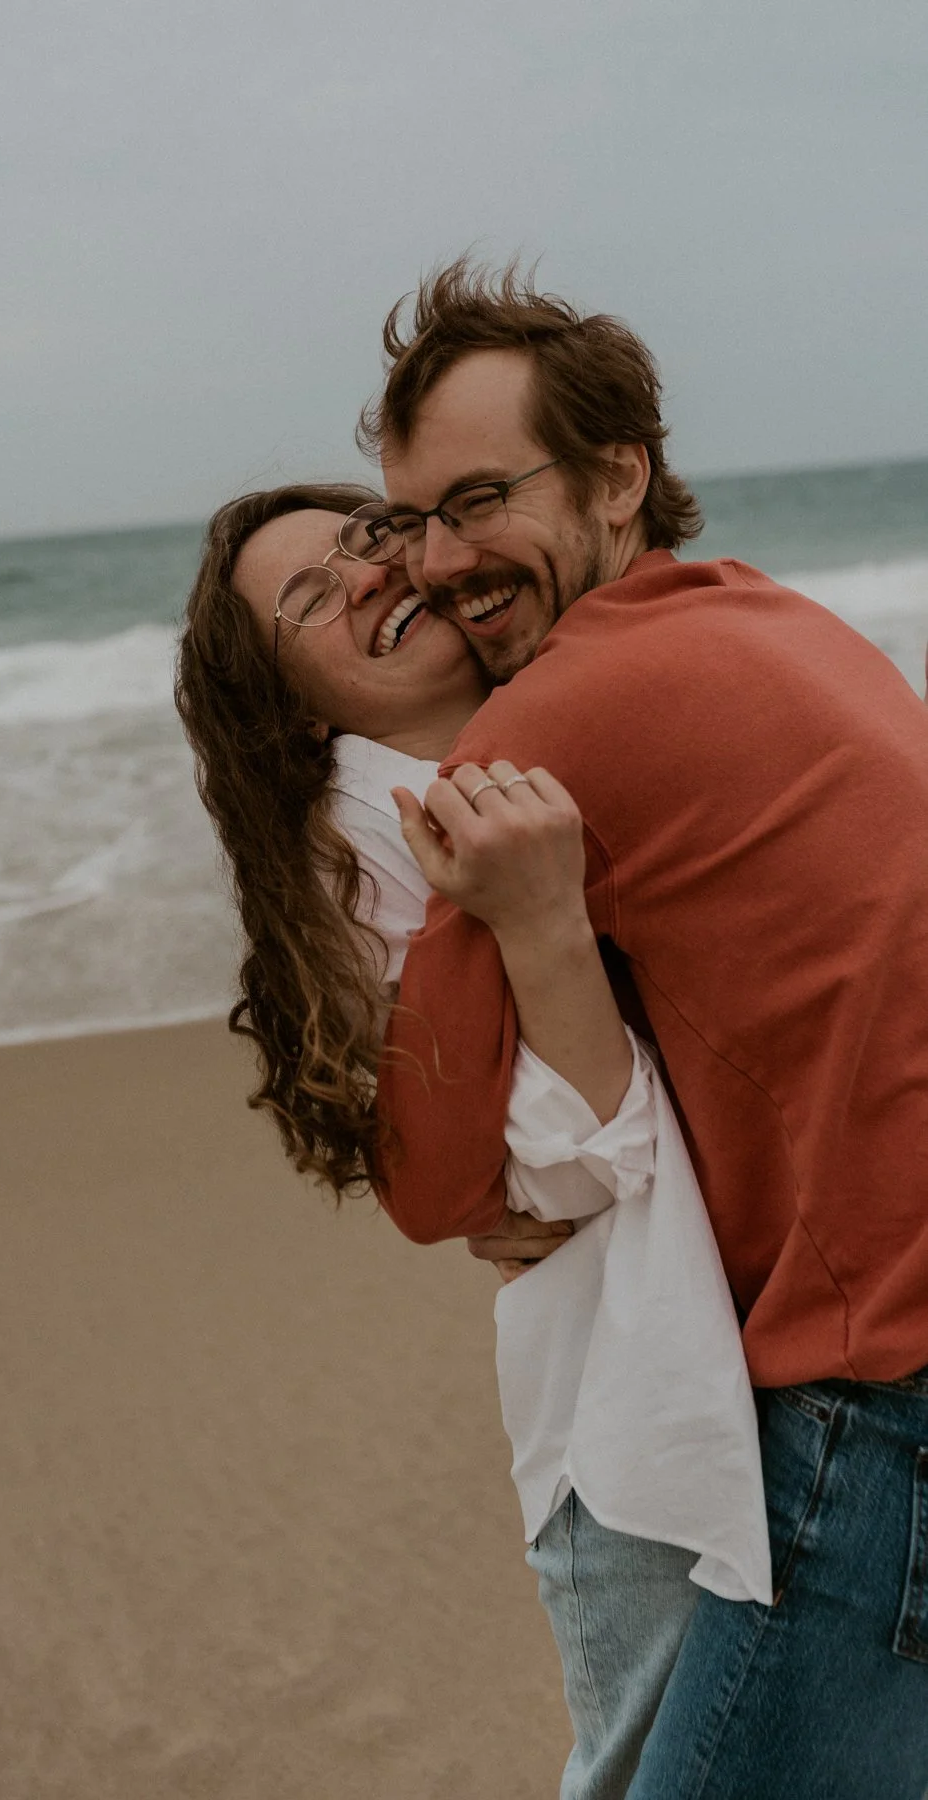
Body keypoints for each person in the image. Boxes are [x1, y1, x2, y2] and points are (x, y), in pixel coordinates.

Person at [356, 257, 928, 1797]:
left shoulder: (555, 717)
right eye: (409, 520)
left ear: (618, 477)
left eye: (481, 500)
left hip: (885, 1390)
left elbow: (425, 1175)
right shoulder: (772, 617)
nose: (438, 561)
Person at [175, 484, 771, 1800]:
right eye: (308, 597)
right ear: (286, 701)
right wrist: (539, 923)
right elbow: (555, 1171)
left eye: (367, 538)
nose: (367, 576)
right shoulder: (361, 839)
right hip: (628, 1392)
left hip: (754, 1346)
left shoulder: (556, 729)